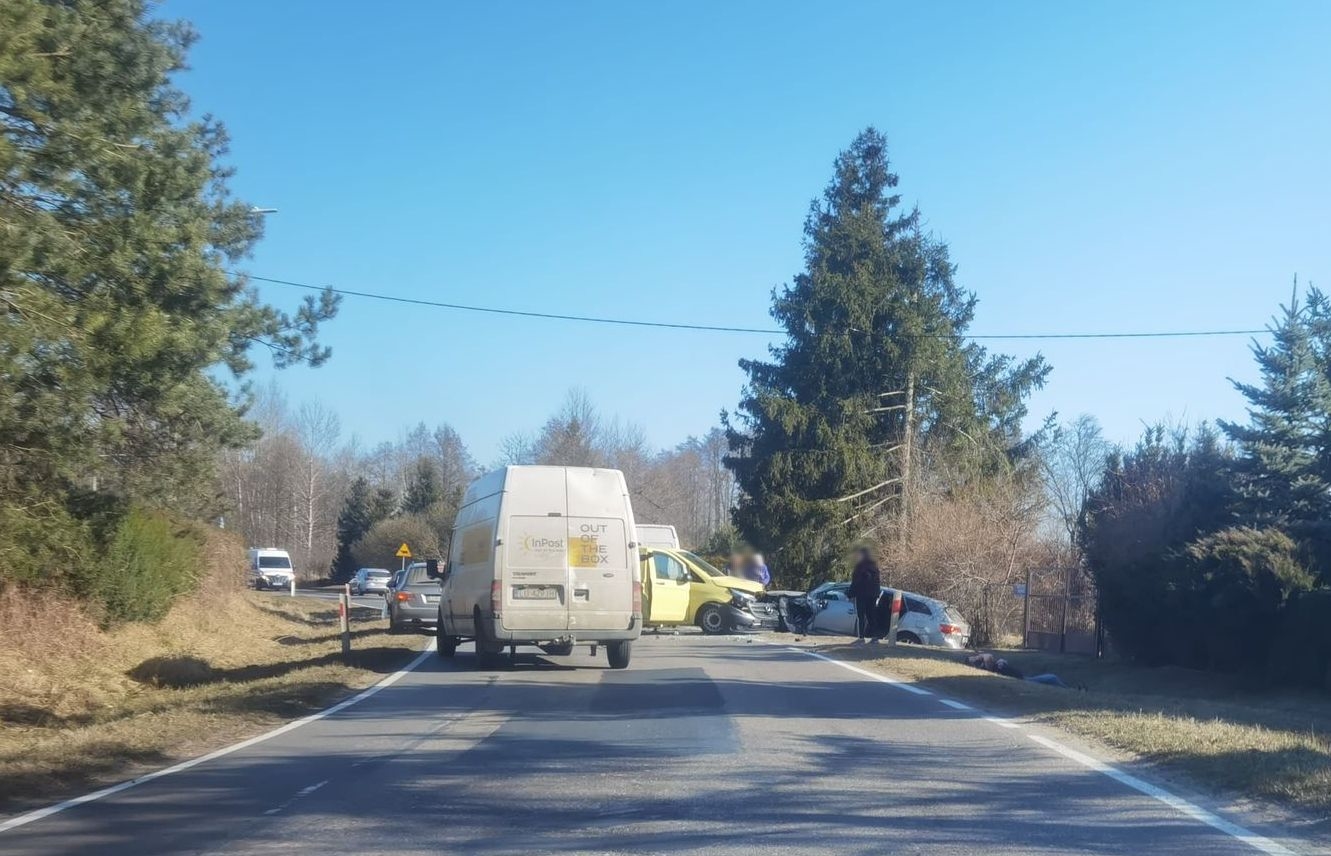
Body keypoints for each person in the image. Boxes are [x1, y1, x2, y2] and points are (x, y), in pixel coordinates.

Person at [848, 547, 882, 643]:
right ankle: (875, 637)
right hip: (872, 595)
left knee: (861, 616)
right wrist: (876, 594)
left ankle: (861, 637)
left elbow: (856, 582)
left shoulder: (860, 566)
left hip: (862, 594)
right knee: (871, 615)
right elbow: (877, 582)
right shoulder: (874, 567)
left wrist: (850, 593)